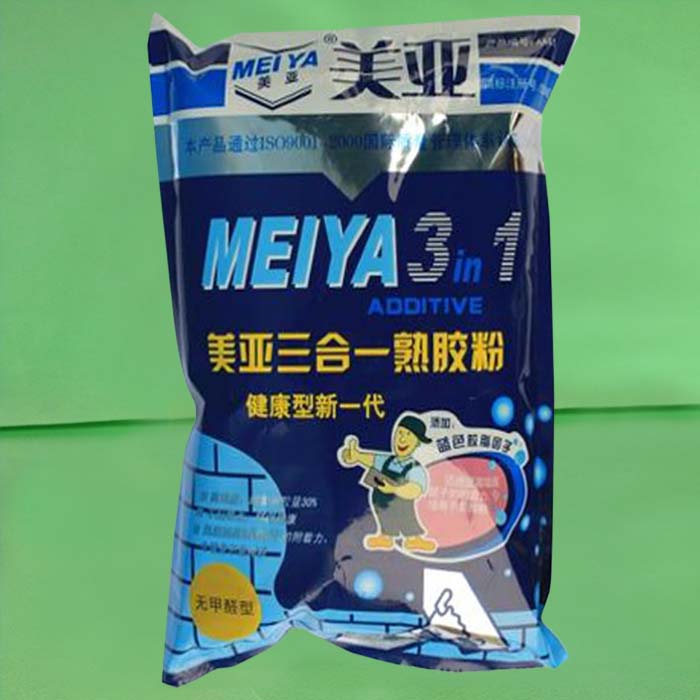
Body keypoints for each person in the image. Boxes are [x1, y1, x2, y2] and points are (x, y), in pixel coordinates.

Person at [339, 415, 437, 553]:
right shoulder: (388, 460)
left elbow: (415, 488)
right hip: (383, 506)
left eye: (408, 435)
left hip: (401, 505)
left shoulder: (414, 468)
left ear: (417, 443)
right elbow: (372, 459)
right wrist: (357, 456)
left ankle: (414, 539)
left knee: (407, 520)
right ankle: (385, 536)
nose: (402, 439)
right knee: (386, 518)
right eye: (400, 433)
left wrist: (394, 489)